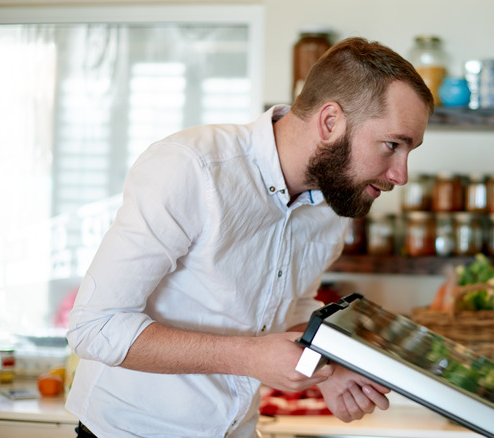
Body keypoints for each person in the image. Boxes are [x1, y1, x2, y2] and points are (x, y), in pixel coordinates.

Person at [65, 36, 434, 437]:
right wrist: (250, 357)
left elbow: (290, 313)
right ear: (330, 122)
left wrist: (326, 370)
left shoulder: (330, 210)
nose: (401, 174)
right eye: (392, 145)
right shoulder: (192, 167)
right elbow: (95, 328)